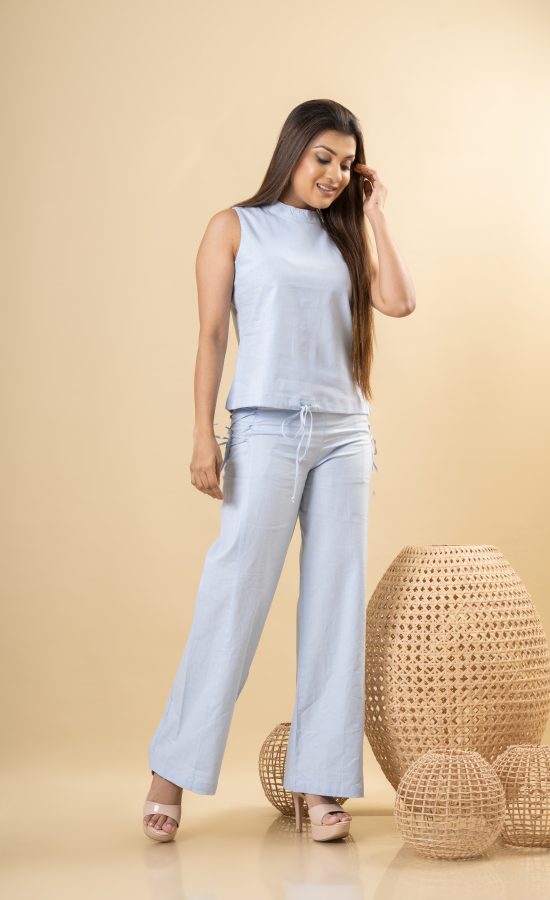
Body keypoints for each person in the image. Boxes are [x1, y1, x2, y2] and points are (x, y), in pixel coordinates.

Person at [142, 98, 416, 843]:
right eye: (322, 158)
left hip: (345, 434)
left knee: (335, 605)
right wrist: (203, 436)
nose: (333, 174)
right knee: (234, 594)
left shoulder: (346, 236)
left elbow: (399, 302)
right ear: (292, 151)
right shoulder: (235, 227)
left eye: (346, 164)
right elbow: (210, 337)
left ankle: (321, 785)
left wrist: (375, 214)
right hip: (264, 429)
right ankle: (170, 772)